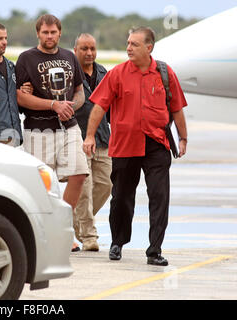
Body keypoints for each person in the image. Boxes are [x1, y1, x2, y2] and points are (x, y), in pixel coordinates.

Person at [83, 27, 188, 266]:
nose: (128, 48)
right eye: (128, 43)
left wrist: (183, 138)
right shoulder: (117, 74)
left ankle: (154, 250)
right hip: (124, 144)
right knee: (121, 198)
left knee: (159, 197)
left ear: (148, 48)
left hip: (156, 144)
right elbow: (99, 107)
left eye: (134, 44)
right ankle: (117, 242)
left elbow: (177, 108)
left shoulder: (164, 73)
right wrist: (90, 136)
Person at [16, 14, 89, 252]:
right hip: (38, 129)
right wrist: (52, 105)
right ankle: (39, 233)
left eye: (53, 32)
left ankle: (62, 230)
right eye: (45, 32)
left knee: (79, 173)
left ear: (60, 33)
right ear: (38, 33)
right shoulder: (26, 58)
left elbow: (79, 92)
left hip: (69, 128)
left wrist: (71, 107)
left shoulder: (69, 56)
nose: (49, 36)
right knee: (41, 185)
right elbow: (20, 96)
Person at [73, 33, 112, 252]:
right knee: (84, 189)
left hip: (103, 139)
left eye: (92, 49)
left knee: (105, 186)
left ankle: (71, 223)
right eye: (84, 49)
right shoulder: (70, 74)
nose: (89, 53)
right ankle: (88, 236)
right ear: (75, 50)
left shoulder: (103, 73)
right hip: (78, 138)